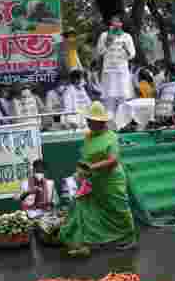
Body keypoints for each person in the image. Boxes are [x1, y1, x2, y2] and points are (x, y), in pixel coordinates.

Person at [59, 101, 138, 257]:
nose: (88, 123)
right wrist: (82, 170)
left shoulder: (111, 137)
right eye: (87, 120)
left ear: (100, 121)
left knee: (119, 209)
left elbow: (113, 160)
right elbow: (86, 155)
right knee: (86, 207)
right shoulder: (88, 136)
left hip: (112, 180)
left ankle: (130, 237)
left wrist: (92, 168)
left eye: (90, 120)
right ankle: (84, 241)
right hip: (93, 180)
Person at [96, 15, 136, 117]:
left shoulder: (127, 36)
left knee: (123, 97)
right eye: (113, 22)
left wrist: (125, 48)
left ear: (121, 24)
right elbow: (100, 52)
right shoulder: (104, 35)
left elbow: (132, 55)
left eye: (118, 22)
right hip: (109, 72)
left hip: (122, 72)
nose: (115, 24)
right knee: (109, 97)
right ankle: (109, 121)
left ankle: (123, 122)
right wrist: (108, 42)